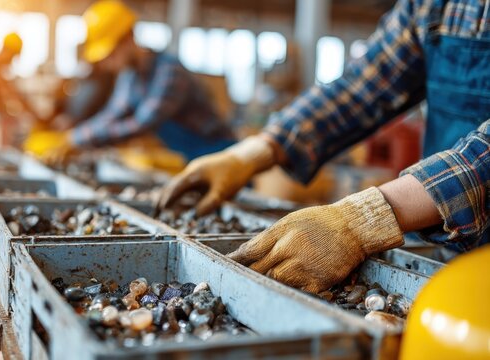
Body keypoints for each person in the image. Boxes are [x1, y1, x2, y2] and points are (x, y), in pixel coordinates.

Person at [158, 0, 490, 293]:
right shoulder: (436, 4)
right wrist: (253, 151)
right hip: (448, 249)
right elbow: (361, 87)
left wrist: (363, 218)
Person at [35, 0, 235, 161]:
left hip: (221, 157)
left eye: (111, 54)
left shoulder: (170, 72)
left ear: (129, 38)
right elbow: (113, 113)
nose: (108, 64)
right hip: (190, 158)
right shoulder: (130, 76)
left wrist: (77, 139)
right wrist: (72, 137)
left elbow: (141, 122)